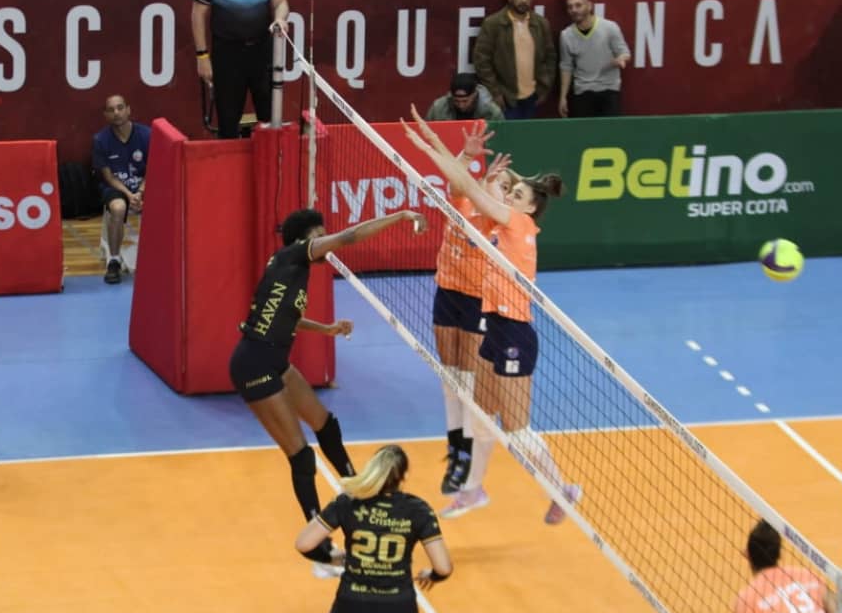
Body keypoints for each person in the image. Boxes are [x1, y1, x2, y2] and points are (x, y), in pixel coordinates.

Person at [402, 108, 580, 525]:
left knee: (516, 430)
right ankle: (473, 489)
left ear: (529, 209)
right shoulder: (502, 223)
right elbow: (464, 188)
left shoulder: (518, 223)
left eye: (517, 193)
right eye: (510, 191)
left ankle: (563, 489)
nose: (511, 195)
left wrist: (431, 145)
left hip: (516, 333)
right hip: (495, 326)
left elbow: (467, 186)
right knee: (481, 416)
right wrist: (433, 145)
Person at [230, 206, 427, 574]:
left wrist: (327, 329)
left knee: (326, 424)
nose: (327, 242)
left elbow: (283, 317)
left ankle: (359, 492)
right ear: (308, 237)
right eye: (321, 235)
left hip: (273, 360)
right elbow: (350, 237)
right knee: (301, 457)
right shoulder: (296, 253)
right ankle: (318, 549)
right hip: (254, 365)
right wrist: (399, 217)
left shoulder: (288, 267)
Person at [295, 444, 453, 613]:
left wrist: (333, 558)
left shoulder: (347, 502)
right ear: (403, 476)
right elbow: (443, 567)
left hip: (353, 603)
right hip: (398, 605)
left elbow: (304, 543)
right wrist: (432, 575)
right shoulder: (418, 510)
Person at [426, 121, 511, 495]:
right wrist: (468, 156)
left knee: (470, 382)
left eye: (508, 188)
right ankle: (455, 449)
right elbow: (458, 183)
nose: (502, 188)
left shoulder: (500, 219)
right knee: (450, 377)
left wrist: (490, 192)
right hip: (448, 292)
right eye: (499, 181)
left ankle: (465, 455)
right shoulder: (462, 201)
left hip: (477, 301)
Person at [191, 0, 289, 140]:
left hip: (263, 51)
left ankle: (272, 170)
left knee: (269, 119)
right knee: (227, 121)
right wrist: (202, 57)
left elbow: (281, 2)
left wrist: (280, 18)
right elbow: (197, 14)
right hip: (227, 54)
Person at [473, 0, 557, 120]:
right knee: (509, 139)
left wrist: (544, 88)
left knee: (527, 138)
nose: (524, 0)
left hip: (533, 96)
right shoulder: (493, 23)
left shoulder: (541, 23)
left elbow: (550, 56)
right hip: (506, 97)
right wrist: (495, 92)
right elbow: (481, 60)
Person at [91, 94, 150, 284]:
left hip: (144, 186)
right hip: (118, 188)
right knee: (117, 208)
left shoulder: (147, 135)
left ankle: (160, 258)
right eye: (111, 110)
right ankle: (114, 260)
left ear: (128, 110)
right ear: (106, 115)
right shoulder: (100, 140)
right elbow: (108, 177)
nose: (116, 113)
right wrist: (129, 195)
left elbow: (154, 170)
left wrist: (140, 192)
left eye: (120, 107)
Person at [558, 0, 630, 118]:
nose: (574, 10)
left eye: (578, 5)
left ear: (589, 6)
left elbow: (624, 52)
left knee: (611, 136)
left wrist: (621, 59)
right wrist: (563, 97)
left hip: (609, 90)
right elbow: (566, 67)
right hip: (582, 92)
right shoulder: (566, 35)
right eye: (570, 7)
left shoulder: (610, 27)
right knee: (584, 136)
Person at [423, 72, 504, 122]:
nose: (461, 105)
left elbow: (500, 138)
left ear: (474, 94)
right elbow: (426, 132)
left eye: (465, 101)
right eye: (456, 101)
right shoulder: (438, 108)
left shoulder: (492, 112)